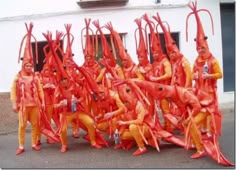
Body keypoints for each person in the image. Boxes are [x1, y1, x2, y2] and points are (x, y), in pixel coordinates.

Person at [54, 76, 102, 153]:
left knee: (90, 122)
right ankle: (64, 145)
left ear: (68, 79)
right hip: (65, 114)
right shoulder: (57, 90)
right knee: (63, 130)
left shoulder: (74, 87)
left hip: (78, 111)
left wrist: (77, 100)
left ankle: (93, 142)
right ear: (59, 82)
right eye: (61, 80)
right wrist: (60, 104)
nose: (63, 81)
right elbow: (54, 105)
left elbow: (82, 97)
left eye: (65, 79)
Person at [10, 60, 45, 155]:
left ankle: (34, 144)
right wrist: (14, 103)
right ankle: (21, 146)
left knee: (35, 125)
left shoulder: (35, 77)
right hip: (23, 106)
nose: (29, 68)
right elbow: (13, 90)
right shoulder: (18, 77)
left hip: (35, 105)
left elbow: (40, 90)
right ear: (23, 66)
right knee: (22, 126)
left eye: (30, 66)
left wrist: (43, 101)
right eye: (27, 66)